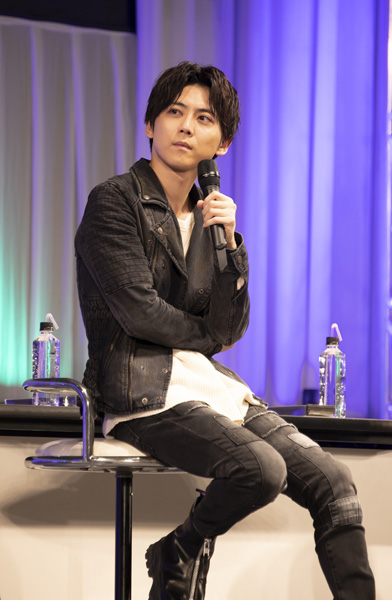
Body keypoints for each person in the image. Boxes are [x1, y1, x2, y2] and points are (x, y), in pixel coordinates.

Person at [75, 61, 375, 600]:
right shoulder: (114, 201)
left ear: (224, 143)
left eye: (204, 118)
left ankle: (180, 548)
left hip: (208, 388)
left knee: (335, 483)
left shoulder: (214, 221)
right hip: (140, 392)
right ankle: (181, 548)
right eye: (174, 112)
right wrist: (208, 337)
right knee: (261, 470)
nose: (186, 127)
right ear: (150, 125)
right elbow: (140, 313)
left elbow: (231, 326)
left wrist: (230, 248)